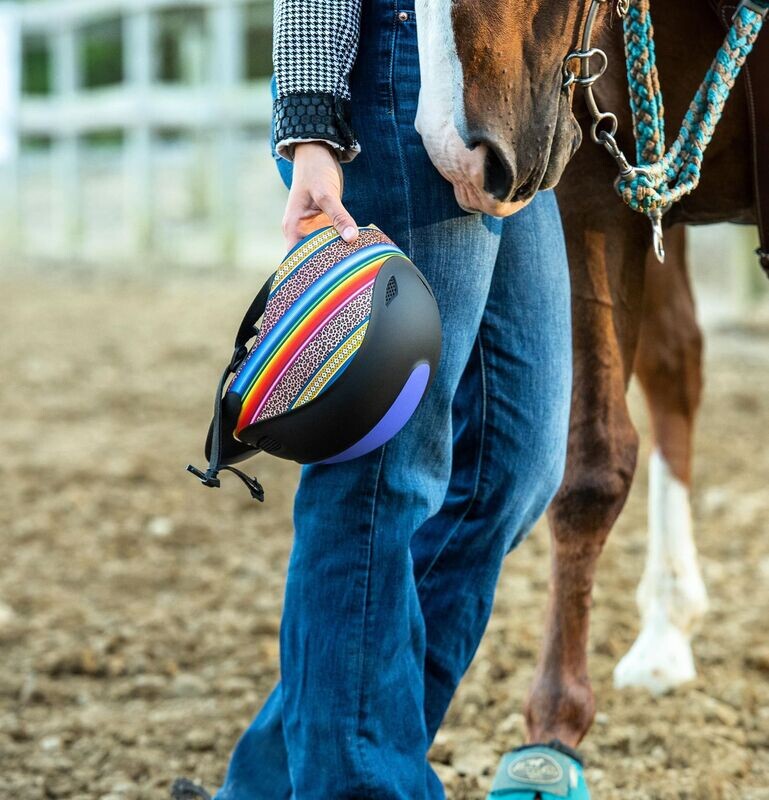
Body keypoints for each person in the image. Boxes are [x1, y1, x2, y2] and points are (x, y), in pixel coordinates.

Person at [173, 0, 572, 796]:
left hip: (523, 73)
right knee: (381, 470)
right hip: (408, 64)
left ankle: (279, 780)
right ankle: (356, 782)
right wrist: (313, 122)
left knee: (511, 467)